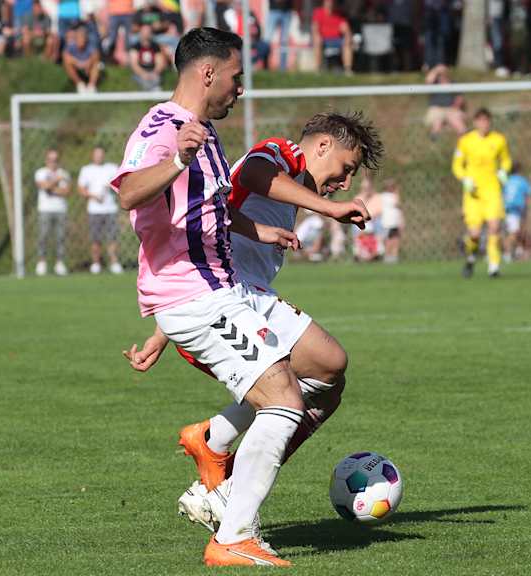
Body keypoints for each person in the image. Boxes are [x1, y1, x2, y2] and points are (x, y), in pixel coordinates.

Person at [110, 28, 342, 567]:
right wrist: (174, 160)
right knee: (284, 400)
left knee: (314, 374)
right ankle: (232, 531)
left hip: (221, 291)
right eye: (237, 78)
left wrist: (262, 233)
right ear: (207, 73)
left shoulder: (206, 134)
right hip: (197, 298)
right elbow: (127, 192)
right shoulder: (163, 127)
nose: (241, 89)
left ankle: (215, 455)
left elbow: (204, 212)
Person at [122, 111, 381, 557]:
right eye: (346, 167)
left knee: (327, 378)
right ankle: (223, 480)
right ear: (322, 146)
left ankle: (215, 442)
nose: (344, 181)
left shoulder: (294, 184)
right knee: (318, 374)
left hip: (236, 299)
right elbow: (258, 175)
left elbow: (209, 257)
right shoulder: (283, 152)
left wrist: (163, 334)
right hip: (231, 301)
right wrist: (330, 207)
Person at [452, 107, 512, 278]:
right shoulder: (465, 141)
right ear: (475, 122)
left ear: (490, 122)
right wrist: (465, 179)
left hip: (492, 190)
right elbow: (457, 165)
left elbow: (506, 160)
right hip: (473, 194)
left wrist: (503, 171)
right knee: (475, 234)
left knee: (494, 227)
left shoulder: (499, 139)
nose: (484, 124)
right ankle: (471, 257)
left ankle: (494, 266)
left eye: (486, 121)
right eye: (480, 121)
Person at [78, 146, 123, 274]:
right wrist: (93, 196)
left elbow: (120, 183)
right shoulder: (86, 170)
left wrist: (111, 186)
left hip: (110, 209)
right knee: (95, 238)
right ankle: (96, 263)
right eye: (96, 154)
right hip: (94, 210)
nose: (99, 156)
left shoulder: (111, 168)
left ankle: (114, 262)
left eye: (101, 154)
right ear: (92, 155)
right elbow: (81, 189)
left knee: (112, 237)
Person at [34, 149, 71, 276]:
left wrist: (51, 188)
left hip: (60, 209)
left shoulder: (64, 173)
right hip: (45, 209)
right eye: (50, 160)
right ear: (46, 160)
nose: (53, 163)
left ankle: (60, 263)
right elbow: (43, 186)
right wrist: (56, 182)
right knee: (43, 236)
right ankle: (41, 262)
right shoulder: (41, 172)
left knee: (61, 237)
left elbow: (66, 191)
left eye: (55, 160)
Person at [423, 65, 466, 137]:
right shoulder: (434, 84)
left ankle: (465, 142)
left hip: (451, 109)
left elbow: (459, 98)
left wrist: (454, 108)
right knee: (437, 122)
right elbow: (428, 80)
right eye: (440, 74)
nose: (442, 75)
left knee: (459, 124)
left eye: (443, 73)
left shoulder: (453, 84)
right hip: (436, 109)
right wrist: (436, 70)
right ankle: (433, 141)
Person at [502, 161, 531, 262]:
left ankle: (518, 252)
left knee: (519, 231)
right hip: (516, 209)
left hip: (506, 209)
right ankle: (506, 254)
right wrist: (527, 209)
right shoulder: (522, 181)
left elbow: (503, 194)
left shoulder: (507, 181)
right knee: (514, 233)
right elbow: (527, 195)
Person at [312, 0, 352, 73]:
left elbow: (346, 29)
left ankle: (347, 70)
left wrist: (348, 36)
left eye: (332, 2)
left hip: (337, 40)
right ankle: (317, 69)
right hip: (324, 40)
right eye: (328, 2)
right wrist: (317, 36)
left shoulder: (339, 14)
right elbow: (315, 28)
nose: (330, 4)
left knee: (347, 43)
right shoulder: (318, 12)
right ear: (324, 2)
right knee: (317, 41)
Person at [62, 22, 100, 93]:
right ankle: (80, 84)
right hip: (77, 65)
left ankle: (91, 86)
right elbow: (65, 56)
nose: (82, 40)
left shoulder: (90, 45)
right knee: (67, 63)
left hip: (88, 65)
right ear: (76, 39)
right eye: (79, 38)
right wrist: (77, 63)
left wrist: (88, 62)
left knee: (96, 65)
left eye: (83, 38)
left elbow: (96, 55)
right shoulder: (71, 45)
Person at [128, 23, 166, 91]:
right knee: (143, 81)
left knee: (156, 79)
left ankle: (152, 92)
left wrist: (155, 72)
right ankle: (152, 93)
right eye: (144, 32)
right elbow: (134, 64)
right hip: (140, 73)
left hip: (153, 71)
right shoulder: (135, 47)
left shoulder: (155, 46)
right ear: (140, 33)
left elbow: (160, 63)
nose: (146, 34)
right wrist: (143, 74)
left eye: (148, 32)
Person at [379, 178, 403, 263]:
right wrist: (397, 193)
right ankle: (388, 257)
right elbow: (398, 203)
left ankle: (394, 257)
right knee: (389, 241)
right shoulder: (385, 196)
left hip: (394, 222)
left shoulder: (384, 196)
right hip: (388, 222)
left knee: (395, 240)